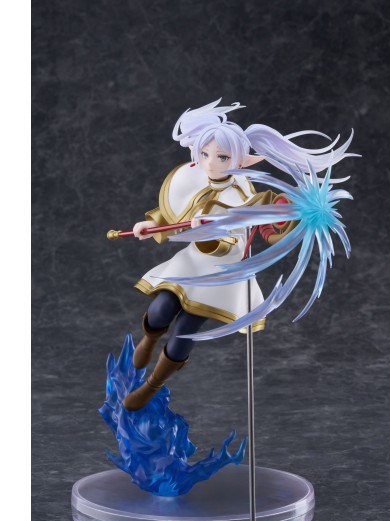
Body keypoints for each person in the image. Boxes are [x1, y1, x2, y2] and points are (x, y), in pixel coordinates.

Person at [122, 99, 354, 410]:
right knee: (161, 309)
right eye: (205, 154)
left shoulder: (247, 196)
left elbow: (256, 236)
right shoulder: (192, 176)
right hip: (191, 264)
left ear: (243, 160)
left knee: (185, 331)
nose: (210, 163)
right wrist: (151, 225)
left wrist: (287, 221)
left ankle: (151, 386)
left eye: (222, 157)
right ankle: (149, 339)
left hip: (222, 275)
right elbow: (175, 211)